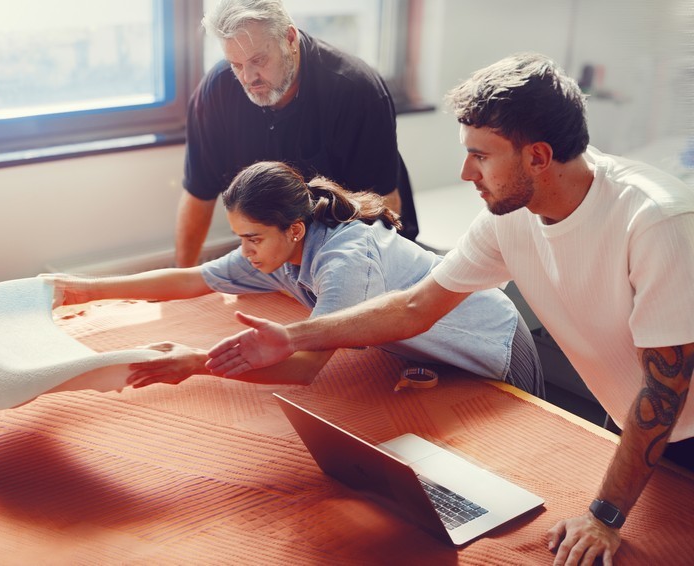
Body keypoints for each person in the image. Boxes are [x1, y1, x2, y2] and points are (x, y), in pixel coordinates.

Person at [206, 53, 694, 565]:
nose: (466, 173)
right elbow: (416, 306)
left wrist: (605, 515)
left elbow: (664, 392)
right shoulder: (510, 218)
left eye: (481, 156)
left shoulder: (655, 221)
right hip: (644, 429)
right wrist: (294, 337)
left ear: (539, 157)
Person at [49, 160, 544, 397]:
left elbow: (304, 367)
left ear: (295, 229)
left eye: (253, 238)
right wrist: (88, 288)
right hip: (428, 352)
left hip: (491, 342)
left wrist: (194, 365)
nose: (245, 252)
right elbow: (191, 279)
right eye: (240, 237)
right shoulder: (274, 253)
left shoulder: (344, 262)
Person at [176, 0, 419, 267]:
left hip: (354, 244)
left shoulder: (356, 90)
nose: (248, 77)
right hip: (276, 254)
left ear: (289, 39)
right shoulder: (216, 92)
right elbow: (199, 192)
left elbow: (383, 204)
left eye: (258, 60)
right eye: (236, 64)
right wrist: (182, 280)